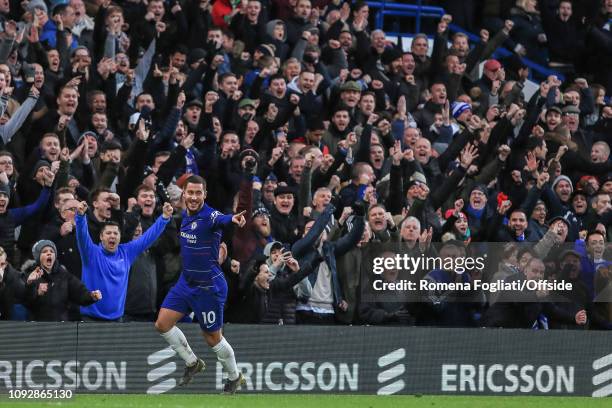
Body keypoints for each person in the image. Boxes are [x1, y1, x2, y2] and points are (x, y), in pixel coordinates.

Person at [154, 175, 247, 393]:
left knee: (213, 338)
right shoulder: (186, 215)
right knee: (162, 324)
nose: (194, 197)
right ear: (184, 194)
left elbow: (222, 219)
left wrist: (233, 219)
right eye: (190, 192)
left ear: (205, 194)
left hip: (208, 286)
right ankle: (192, 363)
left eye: (198, 193)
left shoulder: (210, 216)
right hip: (186, 282)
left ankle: (234, 376)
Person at [75, 200, 173, 321]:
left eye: (115, 233)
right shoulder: (90, 253)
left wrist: (164, 218)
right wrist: (80, 216)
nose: (112, 236)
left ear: (120, 237)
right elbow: (82, 235)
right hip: (90, 318)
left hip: (117, 319)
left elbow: (148, 238)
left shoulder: (126, 252)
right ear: (101, 237)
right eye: (108, 233)